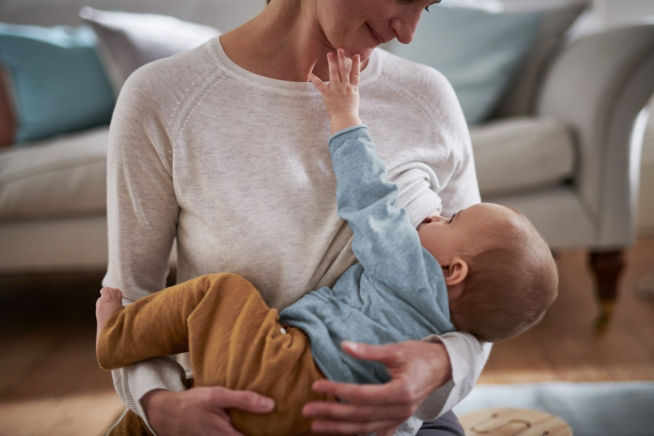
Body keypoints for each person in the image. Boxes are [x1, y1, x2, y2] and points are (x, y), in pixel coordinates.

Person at [99, 49, 558, 435]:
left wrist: (345, 118)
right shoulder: (164, 95)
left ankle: (113, 334)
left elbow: (371, 203)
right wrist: (157, 404)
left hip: (283, 373)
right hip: (332, 415)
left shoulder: (413, 256)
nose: (437, 213)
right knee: (142, 422)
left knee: (224, 293)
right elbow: (485, 313)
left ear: (452, 270)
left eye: (450, 218)